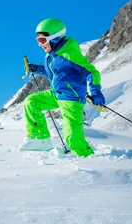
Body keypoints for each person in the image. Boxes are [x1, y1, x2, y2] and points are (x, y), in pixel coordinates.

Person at [21, 18, 105, 157]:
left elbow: (91, 72)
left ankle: (85, 156)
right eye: (38, 40)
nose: (40, 44)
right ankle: (40, 139)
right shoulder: (51, 56)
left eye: (42, 40)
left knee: (72, 137)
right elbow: (56, 72)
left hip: (71, 98)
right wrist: (37, 69)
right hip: (57, 94)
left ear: (54, 37)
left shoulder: (69, 54)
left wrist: (95, 91)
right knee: (31, 102)